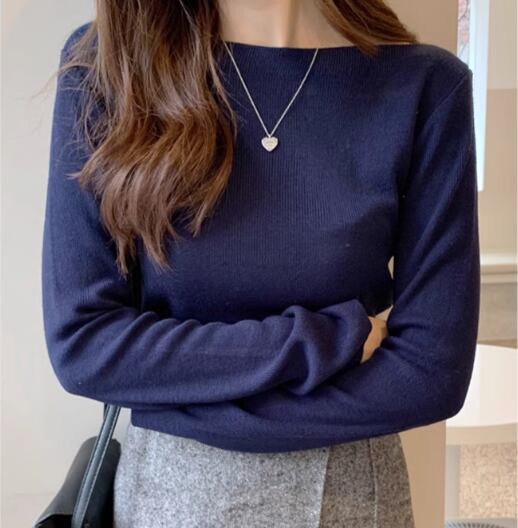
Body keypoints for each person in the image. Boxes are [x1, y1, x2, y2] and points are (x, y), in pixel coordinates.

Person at [41, 0, 480, 526]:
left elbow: (431, 374)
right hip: (166, 500)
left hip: (350, 501)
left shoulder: (425, 87)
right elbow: (84, 344)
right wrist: (327, 339)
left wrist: (174, 398)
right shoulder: (109, 69)